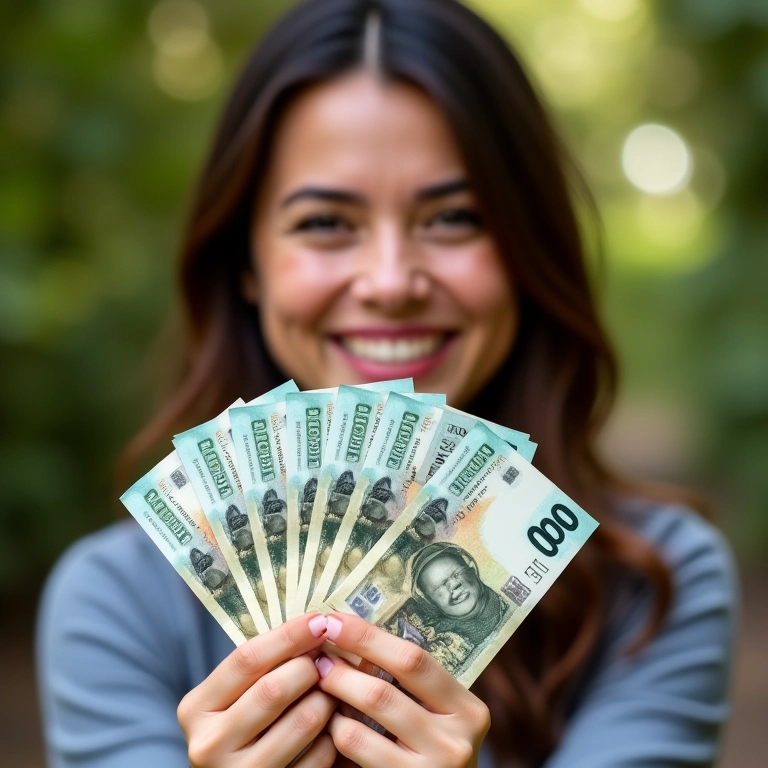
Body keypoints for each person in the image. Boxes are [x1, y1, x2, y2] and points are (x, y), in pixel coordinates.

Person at [36, 0, 738, 766]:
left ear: (527, 249)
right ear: (246, 264)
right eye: (326, 224)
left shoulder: (658, 585)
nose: (391, 281)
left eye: (454, 218)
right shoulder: (111, 604)